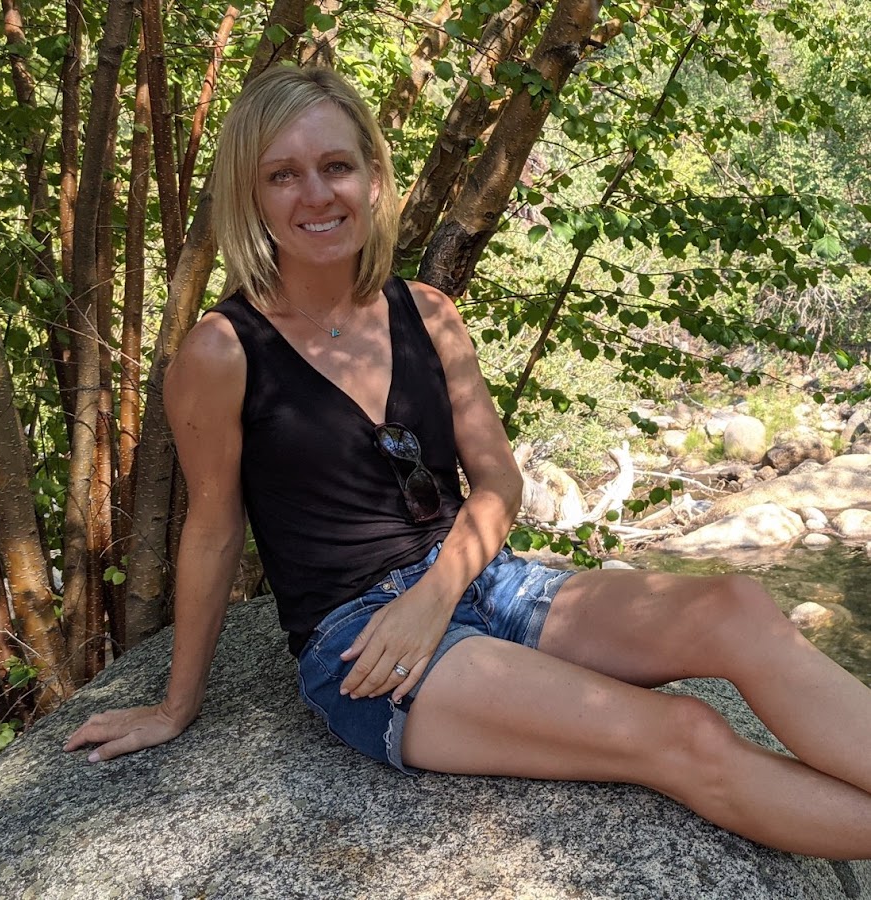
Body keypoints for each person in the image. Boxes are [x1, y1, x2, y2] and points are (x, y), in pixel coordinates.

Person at [65, 65, 871, 860]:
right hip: (359, 639)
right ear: (251, 195)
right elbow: (212, 529)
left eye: (336, 166)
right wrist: (175, 705)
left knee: (737, 607)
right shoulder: (222, 351)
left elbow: (499, 483)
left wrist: (437, 594)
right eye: (283, 175)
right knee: (683, 734)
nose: (315, 194)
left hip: (487, 582)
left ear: (373, 178)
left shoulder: (428, 314)